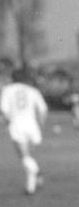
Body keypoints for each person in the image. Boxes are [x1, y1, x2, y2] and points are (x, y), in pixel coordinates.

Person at [1, 66, 50, 195]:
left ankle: (35, 173)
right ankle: (31, 186)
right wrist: (41, 126)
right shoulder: (33, 91)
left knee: (24, 156)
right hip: (32, 125)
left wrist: (4, 125)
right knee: (28, 155)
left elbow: (4, 111)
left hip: (17, 124)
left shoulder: (7, 90)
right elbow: (43, 110)